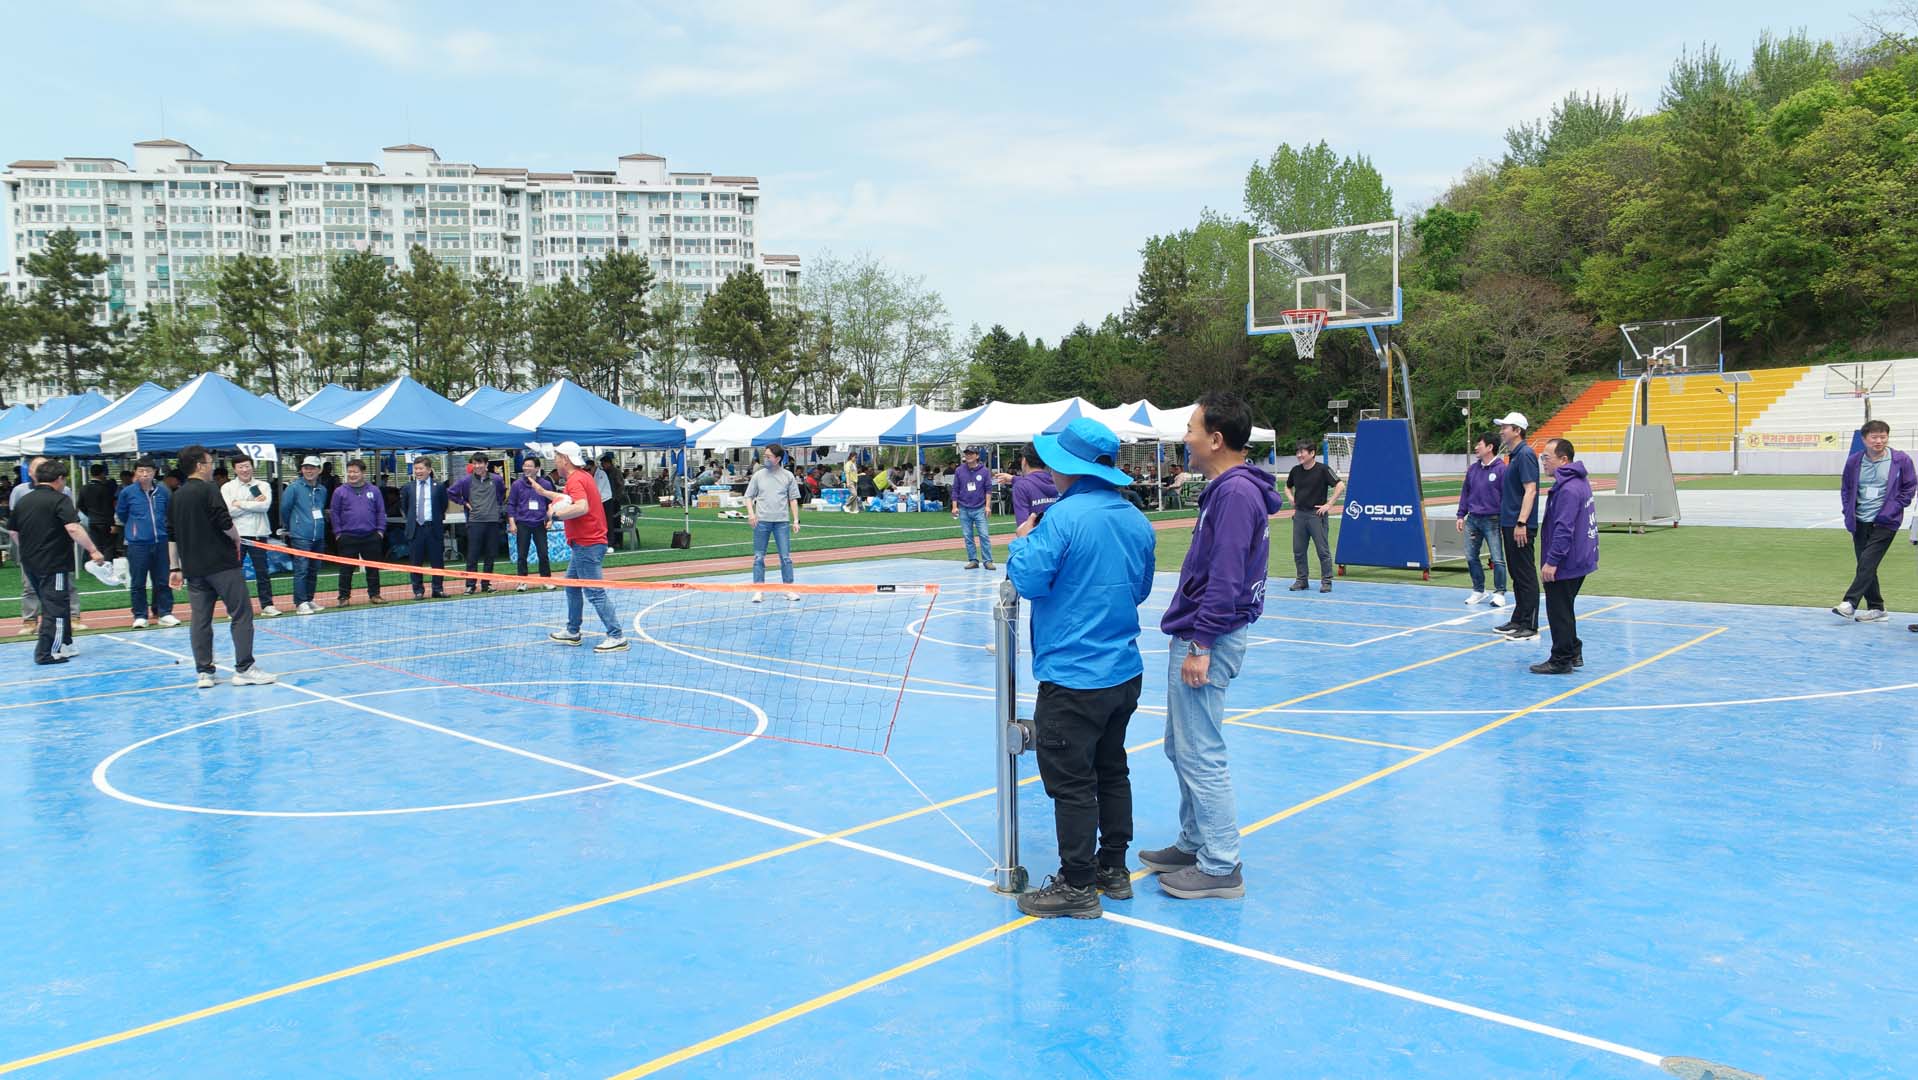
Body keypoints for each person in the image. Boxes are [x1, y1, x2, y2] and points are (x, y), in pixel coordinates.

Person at [1006, 417, 1157, 920]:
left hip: (1073, 675)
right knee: (1112, 769)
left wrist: (1021, 542)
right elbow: (1140, 589)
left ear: (1065, 467)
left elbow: (1029, 580)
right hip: (1122, 668)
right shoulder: (1135, 518)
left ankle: (1076, 885)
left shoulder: (1062, 518)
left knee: (1071, 782)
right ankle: (1113, 868)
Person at [1146, 392, 1283, 901]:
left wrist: (1202, 642)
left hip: (1209, 636)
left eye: (1191, 429)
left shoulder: (1235, 494)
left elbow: (1226, 576)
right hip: (1204, 632)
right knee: (1181, 746)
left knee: (1200, 752)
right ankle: (1195, 841)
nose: (1185, 438)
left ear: (1216, 439)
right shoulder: (1228, 490)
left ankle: (1222, 864)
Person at [167, 445, 276, 688]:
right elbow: (224, 521)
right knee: (241, 613)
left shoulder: (176, 496)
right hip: (222, 564)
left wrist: (175, 568)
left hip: (193, 568)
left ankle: (204, 672)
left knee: (200, 619)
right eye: (209, 463)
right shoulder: (210, 490)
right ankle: (244, 668)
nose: (211, 467)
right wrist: (236, 538)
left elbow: (171, 535)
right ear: (199, 466)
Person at [12, 459, 110, 665]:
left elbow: (14, 531)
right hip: (53, 562)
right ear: (59, 479)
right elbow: (73, 527)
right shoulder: (60, 499)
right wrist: (93, 550)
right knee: (55, 607)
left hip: (29, 561)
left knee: (57, 602)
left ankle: (66, 642)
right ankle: (47, 651)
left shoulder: (23, 500)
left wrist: (27, 548)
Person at [546, 440, 627, 652]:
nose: (555, 461)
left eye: (557, 457)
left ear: (565, 459)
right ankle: (573, 631)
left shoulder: (575, 480)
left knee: (594, 592)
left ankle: (616, 635)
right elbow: (570, 500)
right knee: (571, 585)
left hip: (587, 543)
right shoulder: (583, 477)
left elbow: (581, 507)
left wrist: (555, 515)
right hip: (586, 543)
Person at [1837, 418, 1915, 622]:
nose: (1879, 441)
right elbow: (1846, 488)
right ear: (1864, 439)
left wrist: (1893, 508)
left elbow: (1909, 487)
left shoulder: (1900, 459)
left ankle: (1850, 602)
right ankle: (1877, 608)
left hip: (1886, 521)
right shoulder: (1854, 461)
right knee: (1866, 564)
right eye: (1874, 437)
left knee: (1867, 561)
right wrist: (1847, 511)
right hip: (1859, 520)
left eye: (1883, 437)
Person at [1533, 438, 1598, 674]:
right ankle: (1573, 650)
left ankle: (1561, 659)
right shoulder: (1578, 482)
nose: (1543, 462)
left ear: (1563, 459)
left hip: (1567, 561)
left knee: (1558, 610)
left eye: (1547, 457)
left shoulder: (1568, 489)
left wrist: (1552, 561)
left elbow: (1564, 528)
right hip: (1581, 557)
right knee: (1565, 607)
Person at [10, 456, 85, 634]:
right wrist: (24, 545)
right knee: (30, 586)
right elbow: (15, 524)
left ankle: (72, 617)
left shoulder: (64, 490)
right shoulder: (20, 491)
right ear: (30, 472)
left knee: (65, 584)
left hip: (56, 549)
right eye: (37, 468)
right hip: (31, 549)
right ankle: (30, 621)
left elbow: (70, 519)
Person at [1492, 413, 1542, 641]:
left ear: (1517, 430)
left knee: (1525, 574)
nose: (1501, 431)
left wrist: (1522, 522)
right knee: (1516, 573)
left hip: (1519, 524)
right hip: (1510, 523)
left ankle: (1530, 625)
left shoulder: (1525, 454)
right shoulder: (1514, 456)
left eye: (1505, 427)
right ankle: (1519, 618)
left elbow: (1530, 490)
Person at [116, 457, 179, 628]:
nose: (145, 474)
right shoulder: (127, 493)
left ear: (154, 472)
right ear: (135, 473)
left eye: (148, 471)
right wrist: (135, 529)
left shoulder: (163, 492)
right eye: (141, 471)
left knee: (162, 579)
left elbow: (169, 513)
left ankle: (164, 612)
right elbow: (122, 514)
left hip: (161, 541)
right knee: (138, 581)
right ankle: (140, 615)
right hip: (138, 543)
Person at [221, 454, 280, 617]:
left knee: (263, 572)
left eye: (247, 466)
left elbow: (264, 506)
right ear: (234, 469)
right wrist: (253, 504)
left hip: (259, 534)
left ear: (252, 467)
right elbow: (229, 511)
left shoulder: (263, 485)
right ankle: (235, 608)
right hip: (237, 536)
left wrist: (239, 503)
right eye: (241, 467)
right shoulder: (227, 487)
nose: (245, 470)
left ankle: (267, 605)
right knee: (235, 573)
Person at [1454, 431, 1509, 608]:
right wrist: (1461, 515)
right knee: (1471, 556)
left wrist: (1505, 522)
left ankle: (1500, 592)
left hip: (1493, 520)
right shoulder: (1473, 469)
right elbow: (1465, 493)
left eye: (1480, 444)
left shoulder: (1501, 469)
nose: (1476, 447)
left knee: (1497, 558)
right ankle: (1478, 590)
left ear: (1490, 447)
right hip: (1473, 519)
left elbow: (1507, 498)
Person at [745, 442, 802, 603]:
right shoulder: (758, 475)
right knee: (758, 557)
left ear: (777, 458)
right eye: (765, 456)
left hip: (781, 522)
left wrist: (796, 520)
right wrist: (751, 514)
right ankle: (758, 589)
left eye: (768, 456)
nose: (766, 458)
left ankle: (789, 588)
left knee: (785, 557)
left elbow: (793, 499)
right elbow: (748, 496)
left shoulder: (788, 476)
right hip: (761, 521)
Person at [1284, 441, 1343, 593]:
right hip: (1299, 515)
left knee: (1322, 551)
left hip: (1316, 515)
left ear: (1312, 453)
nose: (1299, 455)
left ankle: (1326, 581)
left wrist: (1329, 504)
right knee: (1298, 550)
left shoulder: (1323, 469)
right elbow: (1287, 486)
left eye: (1302, 452)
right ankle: (1302, 580)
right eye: (1297, 452)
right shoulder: (1295, 471)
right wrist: (1290, 497)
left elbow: (1340, 485)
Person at [328, 459, 386, 605]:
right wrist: (338, 533)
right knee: (346, 569)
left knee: (373, 568)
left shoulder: (374, 490)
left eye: (355, 472)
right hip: (347, 536)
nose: (352, 475)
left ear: (363, 473)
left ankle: (375, 595)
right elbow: (334, 513)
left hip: (371, 536)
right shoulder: (339, 491)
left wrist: (380, 531)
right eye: (349, 472)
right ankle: (343, 597)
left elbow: (380, 511)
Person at [447, 452, 505, 592]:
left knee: (490, 554)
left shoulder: (497, 479)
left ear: (486, 464)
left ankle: (486, 584)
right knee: (473, 554)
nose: (477, 466)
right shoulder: (466, 481)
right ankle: (470, 585)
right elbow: (450, 492)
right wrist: (464, 502)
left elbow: (501, 494)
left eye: (480, 463)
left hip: (492, 521)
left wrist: (495, 508)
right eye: (474, 463)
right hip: (475, 522)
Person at [279, 456, 330, 615]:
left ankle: (309, 598)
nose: (309, 471)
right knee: (302, 569)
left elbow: (320, 509)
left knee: (314, 569)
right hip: (300, 535)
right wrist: (292, 527)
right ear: (301, 469)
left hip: (318, 535)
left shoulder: (322, 490)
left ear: (319, 470)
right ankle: (300, 602)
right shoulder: (293, 488)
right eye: (306, 468)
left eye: (313, 468)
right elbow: (285, 509)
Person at [508, 453, 559, 589]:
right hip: (523, 523)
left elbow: (551, 503)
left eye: (530, 466)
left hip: (540, 524)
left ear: (537, 468)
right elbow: (511, 504)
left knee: (543, 553)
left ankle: (546, 579)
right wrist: (512, 523)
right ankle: (522, 581)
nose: (526, 468)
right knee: (522, 554)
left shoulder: (546, 484)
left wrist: (550, 520)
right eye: (525, 466)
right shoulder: (517, 485)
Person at [401, 457, 450, 600]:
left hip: (433, 528)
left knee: (437, 560)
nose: (418, 471)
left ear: (429, 469)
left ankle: (437, 589)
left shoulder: (438, 486)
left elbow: (443, 505)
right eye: (416, 469)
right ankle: (418, 590)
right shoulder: (408, 487)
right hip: (416, 529)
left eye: (421, 468)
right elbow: (405, 506)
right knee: (415, 561)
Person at [1000, 445, 1059, 539]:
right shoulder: (1058, 481)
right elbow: (1037, 480)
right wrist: (1013, 479)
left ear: (1024, 460)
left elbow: (1023, 528)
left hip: (1036, 541)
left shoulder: (1021, 486)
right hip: (1058, 538)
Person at [951, 446, 995, 569]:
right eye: (967, 454)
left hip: (980, 508)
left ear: (977, 456)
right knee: (967, 536)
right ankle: (973, 560)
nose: (968, 456)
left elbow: (988, 490)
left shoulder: (984, 471)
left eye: (971, 454)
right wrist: (954, 506)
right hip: (964, 508)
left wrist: (987, 506)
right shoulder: (959, 470)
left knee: (984, 535)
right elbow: (955, 489)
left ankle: (987, 560)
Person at [78, 462, 119, 562]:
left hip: (93, 520)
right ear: (102, 473)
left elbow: (80, 505)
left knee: (96, 545)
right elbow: (112, 505)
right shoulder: (106, 489)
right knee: (108, 545)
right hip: (107, 521)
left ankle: (97, 565)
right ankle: (107, 564)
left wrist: (89, 513)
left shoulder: (84, 488)